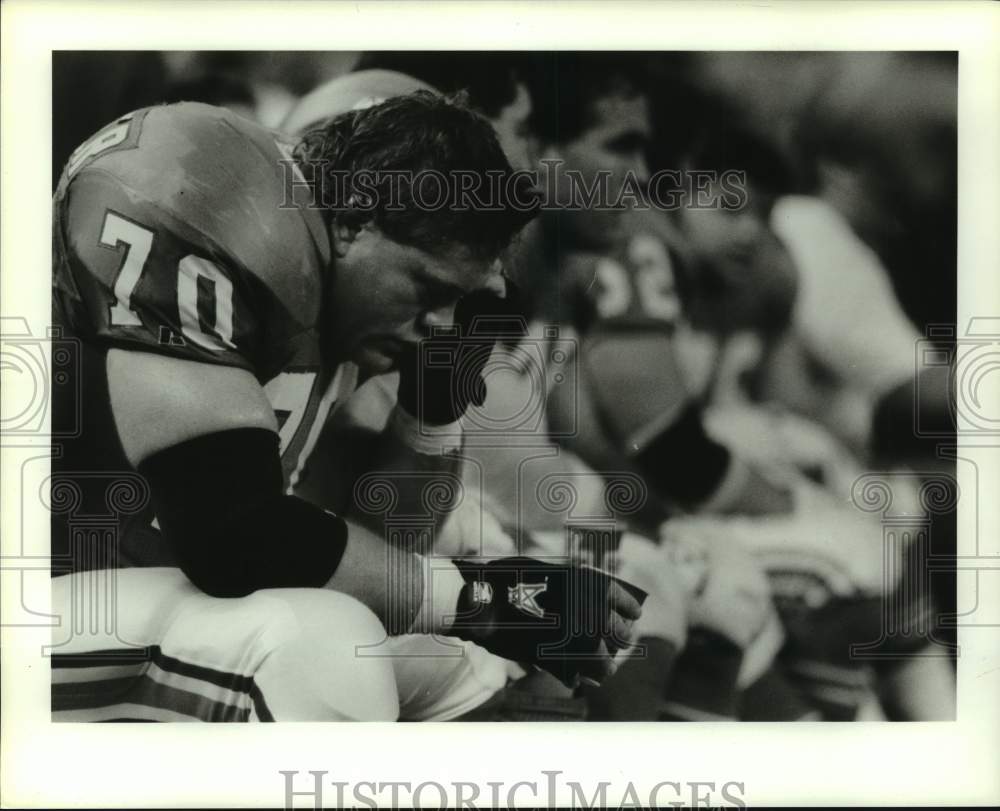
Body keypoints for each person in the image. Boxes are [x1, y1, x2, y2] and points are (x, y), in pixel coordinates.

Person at [51, 91, 641, 720]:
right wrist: (486, 599)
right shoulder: (212, 198)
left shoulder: (346, 288)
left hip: (151, 599)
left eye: (459, 300)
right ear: (355, 219)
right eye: (428, 288)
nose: (441, 324)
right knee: (323, 644)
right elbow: (230, 534)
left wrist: (431, 410)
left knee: (474, 662)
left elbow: (385, 550)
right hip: (46, 595)